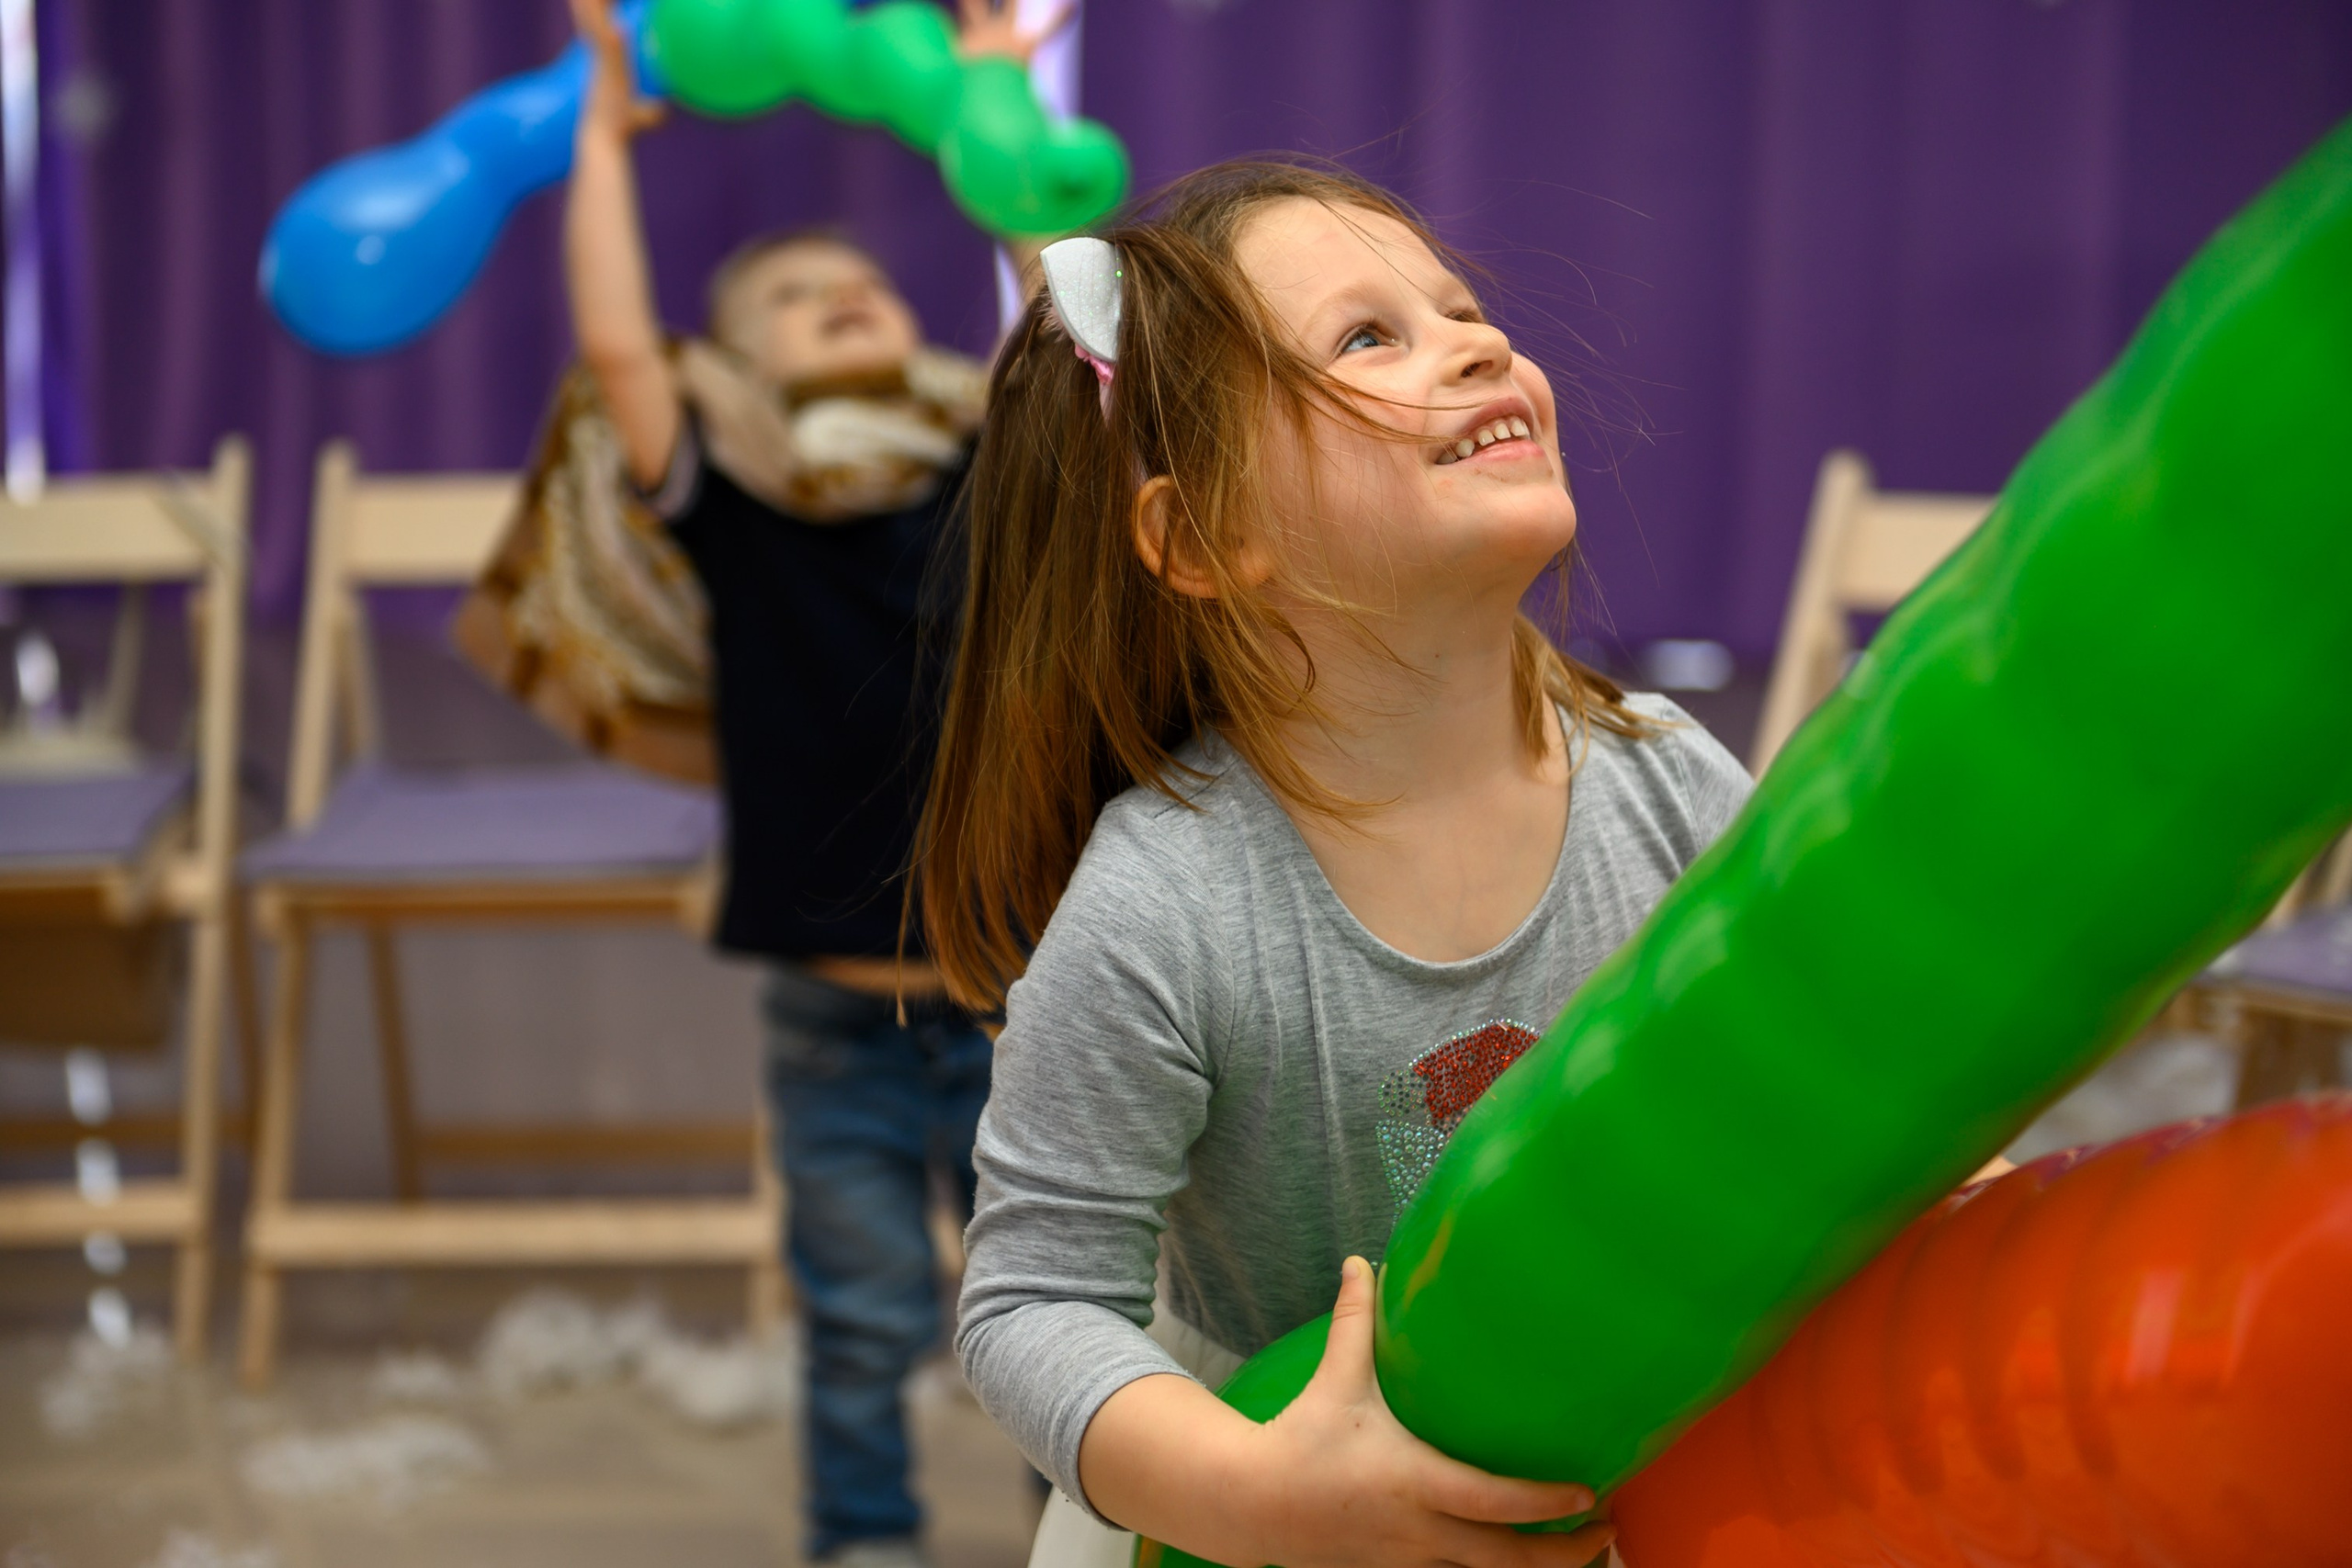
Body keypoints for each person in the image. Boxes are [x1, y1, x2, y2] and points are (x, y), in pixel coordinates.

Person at [920, 161, 1758, 1568]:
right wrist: (1248, 1494)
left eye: (1462, 310)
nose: (1478, 342)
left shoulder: (1669, 780)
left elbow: (1797, 1078)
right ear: (1204, 537)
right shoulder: (1167, 906)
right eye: (1368, 337)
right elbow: (1029, 1306)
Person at [561, 2, 1062, 1562]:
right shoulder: (734, 498)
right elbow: (619, 345)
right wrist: (595, 131)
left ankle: (1098, 1538)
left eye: (864, 281)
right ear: (736, 362)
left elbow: (1071, 334)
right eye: (796, 292)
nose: (845, 292)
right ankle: (865, 1542)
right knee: (861, 1324)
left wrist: (996, 115)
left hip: (1014, 1004)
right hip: (834, 1023)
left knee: (1062, 1328)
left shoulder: (991, 465)